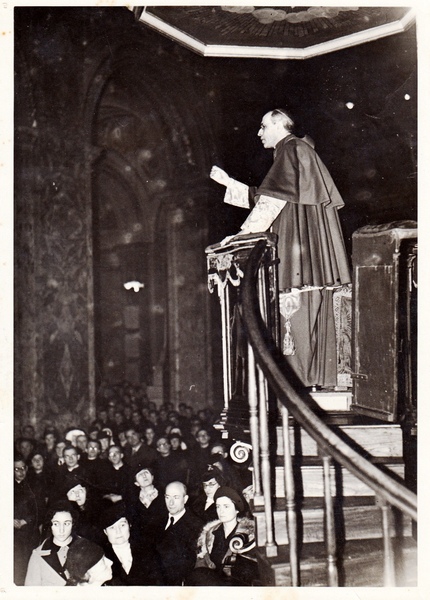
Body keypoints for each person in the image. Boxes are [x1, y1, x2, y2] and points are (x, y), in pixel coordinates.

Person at [210, 108, 351, 388]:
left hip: (298, 249)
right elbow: (271, 197)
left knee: (297, 317)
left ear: (278, 125)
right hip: (309, 250)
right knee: (307, 314)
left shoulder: (291, 150)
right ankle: (312, 381)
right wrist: (229, 184)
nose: (259, 132)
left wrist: (240, 236)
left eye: (263, 126)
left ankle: (301, 384)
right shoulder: (295, 151)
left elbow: (270, 204)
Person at [186, 486, 258, 586]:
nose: (221, 511)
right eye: (218, 506)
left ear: (237, 509)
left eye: (226, 506)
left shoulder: (248, 536)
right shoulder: (209, 534)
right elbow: (201, 565)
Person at [149, 481, 203, 585]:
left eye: (176, 497)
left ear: (185, 499)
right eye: (167, 497)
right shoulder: (158, 519)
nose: (171, 503)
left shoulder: (196, 526)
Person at [24, 500, 80, 586]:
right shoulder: (37, 556)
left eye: (67, 523)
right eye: (56, 524)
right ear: (50, 525)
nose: (61, 530)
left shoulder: (87, 548)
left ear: (73, 524)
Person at [99, 502, 149, 585]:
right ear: (105, 532)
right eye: (112, 528)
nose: (118, 532)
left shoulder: (146, 551)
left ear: (129, 525)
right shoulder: (101, 557)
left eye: (122, 525)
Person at [14, 455, 41, 584]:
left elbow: (39, 509)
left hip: (30, 531)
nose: (21, 472)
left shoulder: (34, 484)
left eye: (23, 468)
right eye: (16, 469)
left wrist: (25, 521)